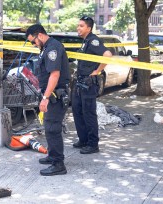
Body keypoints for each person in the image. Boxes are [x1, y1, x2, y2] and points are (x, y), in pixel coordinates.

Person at [26, 24, 70, 176]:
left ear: (39, 34)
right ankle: (52, 155)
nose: (33, 44)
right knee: (49, 126)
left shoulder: (53, 48)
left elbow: (54, 75)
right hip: (51, 95)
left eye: (33, 41)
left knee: (52, 128)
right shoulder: (45, 48)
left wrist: (45, 98)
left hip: (55, 96)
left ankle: (58, 164)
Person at [72, 16, 112, 154]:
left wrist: (97, 71)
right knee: (77, 111)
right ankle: (83, 140)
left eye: (81, 26)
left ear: (88, 28)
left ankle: (93, 144)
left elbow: (107, 55)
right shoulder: (85, 41)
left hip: (88, 84)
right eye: (78, 25)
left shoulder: (93, 40)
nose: (78, 28)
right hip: (80, 82)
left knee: (88, 114)